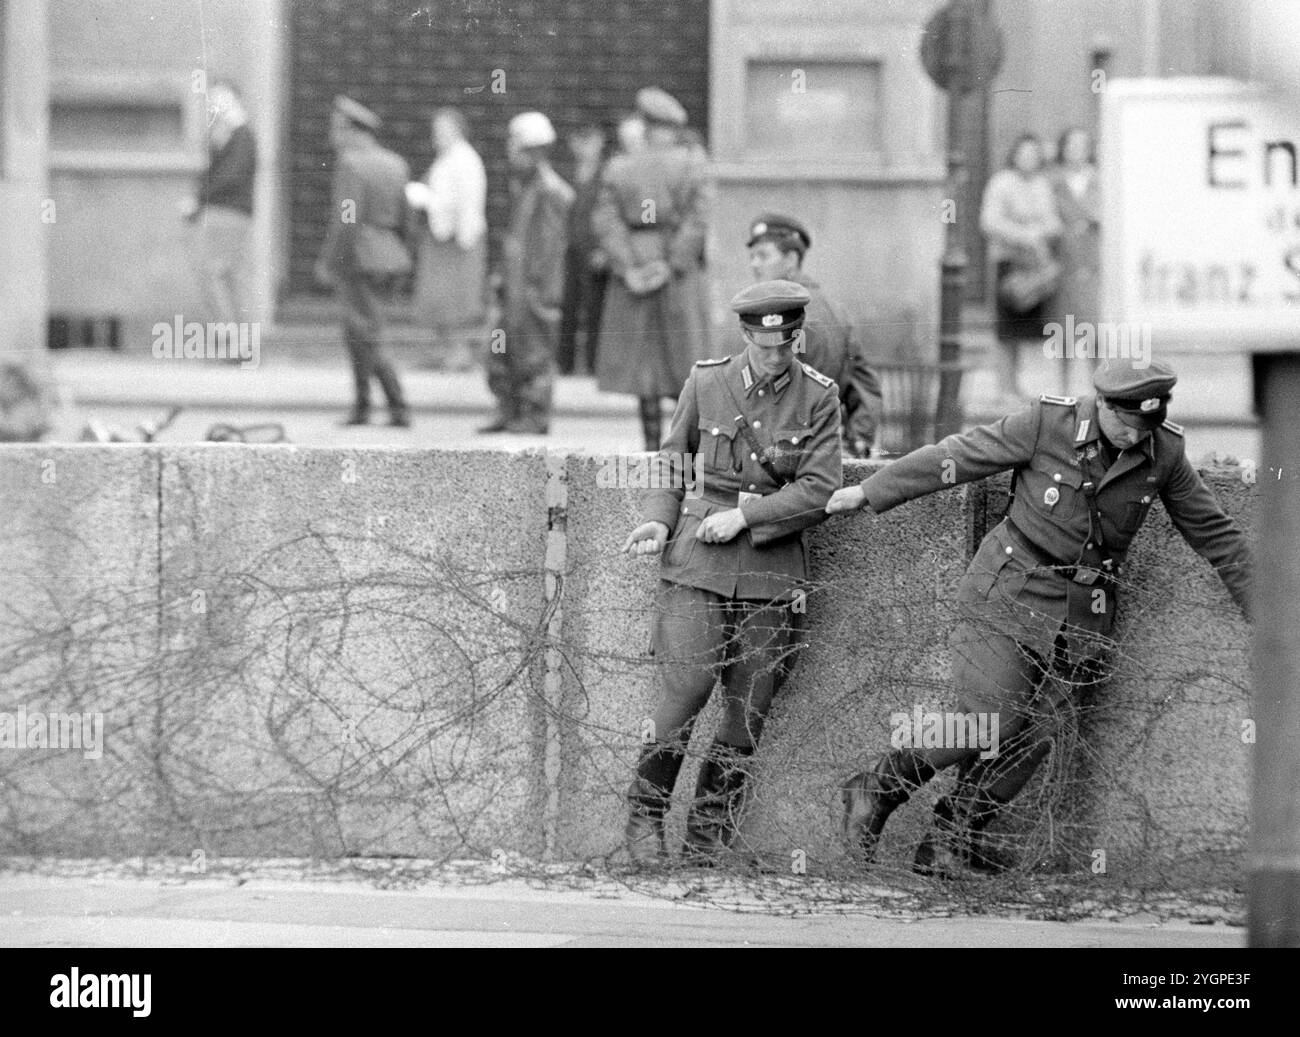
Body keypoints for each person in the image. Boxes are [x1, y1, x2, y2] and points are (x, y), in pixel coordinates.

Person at [827, 360, 1252, 877]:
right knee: (992, 720)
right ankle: (876, 789)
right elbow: (956, 456)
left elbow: (1216, 534)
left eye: (1147, 425)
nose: (1135, 436)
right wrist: (871, 490)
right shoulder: (1048, 424)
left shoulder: (1164, 451)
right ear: (1104, 404)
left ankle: (949, 839)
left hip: (1083, 615)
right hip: (1009, 589)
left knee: (1041, 736)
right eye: (1126, 424)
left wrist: (1271, 613)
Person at [620, 280, 843, 866]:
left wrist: (746, 517)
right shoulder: (707, 381)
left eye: (786, 343)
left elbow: (821, 488)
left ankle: (707, 835)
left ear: (797, 336)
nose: (776, 356)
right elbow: (672, 460)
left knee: (749, 707)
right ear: (746, 336)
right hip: (698, 560)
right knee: (687, 687)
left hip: (772, 567)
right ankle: (644, 817)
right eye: (765, 346)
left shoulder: (820, 398)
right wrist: (658, 520)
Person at [594, 87, 712, 451]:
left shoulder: (619, 166)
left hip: (635, 261)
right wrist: (673, 263)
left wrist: (627, 267)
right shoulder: (692, 164)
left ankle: (649, 447)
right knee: (682, 357)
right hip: (675, 271)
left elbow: (606, 221)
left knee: (643, 364)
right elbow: (698, 219)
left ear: (644, 126)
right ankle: (683, 450)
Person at [745, 213, 882, 457]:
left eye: (763, 255)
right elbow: (865, 385)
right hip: (823, 448)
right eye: (752, 256)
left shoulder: (783, 314)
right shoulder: (833, 309)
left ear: (791, 259)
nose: (754, 264)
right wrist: (859, 440)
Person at [315, 96, 414, 428]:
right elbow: (407, 218)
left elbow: (348, 219)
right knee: (359, 331)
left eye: (337, 129)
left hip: (358, 258)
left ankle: (397, 404)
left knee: (367, 332)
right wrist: (400, 253)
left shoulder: (351, 164)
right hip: (388, 256)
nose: (333, 136)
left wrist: (330, 261)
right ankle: (363, 404)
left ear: (353, 131)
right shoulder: (396, 164)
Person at [479, 111, 573, 435]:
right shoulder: (526, 186)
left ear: (533, 151)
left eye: (516, 147)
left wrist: (532, 288)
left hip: (533, 290)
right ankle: (508, 408)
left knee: (533, 353)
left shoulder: (550, 190)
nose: (511, 153)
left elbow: (547, 248)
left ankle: (534, 413)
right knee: (501, 349)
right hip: (515, 287)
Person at [980, 133, 1062, 406]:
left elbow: (1053, 220)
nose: (1028, 159)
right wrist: (1023, 235)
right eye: (1023, 153)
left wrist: (1042, 232)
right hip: (1009, 262)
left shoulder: (1042, 184)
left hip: (1035, 267)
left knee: (1025, 330)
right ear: (1014, 155)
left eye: (1033, 154)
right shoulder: (1001, 182)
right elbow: (989, 221)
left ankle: (1017, 385)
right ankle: (1004, 387)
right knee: (1005, 330)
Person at [406, 107, 488, 373]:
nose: (437, 136)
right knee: (438, 299)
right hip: (441, 236)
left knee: (457, 300)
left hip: (458, 239)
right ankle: (442, 351)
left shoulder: (465, 160)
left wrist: (425, 198)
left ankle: (459, 353)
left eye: (443, 131)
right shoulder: (447, 158)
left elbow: (462, 203)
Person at [182, 79, 257, 326]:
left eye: (220, 99)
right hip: (227, 212)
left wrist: (199, 199)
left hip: (227, 213)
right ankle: (238, 334)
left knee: (214, 274)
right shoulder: (229, 135)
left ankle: (231, 333)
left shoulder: (241, 136)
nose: (214, 105)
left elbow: (231, 175)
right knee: (226, 276)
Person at [1049, 127, 1101, 394]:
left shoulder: (1100, 180)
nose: (1077, 151)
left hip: (1093, 259)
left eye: (1082, 145)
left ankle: (1099, 385)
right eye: (1072, 145)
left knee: (1094, 328)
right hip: (1064, 259)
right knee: (1064, 328)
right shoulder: (1054, 182)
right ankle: (1064, 388)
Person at [557, 123, 609, 376]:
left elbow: (610, 215)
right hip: (571, 250)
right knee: (568, 305)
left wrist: (604, 249)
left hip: (594, 251)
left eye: (590, 142)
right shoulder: (567, 175)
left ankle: (593, 364)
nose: (585, 148)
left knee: (595, 308)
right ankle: (564, 363)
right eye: (580, 142)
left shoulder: (606, 176)